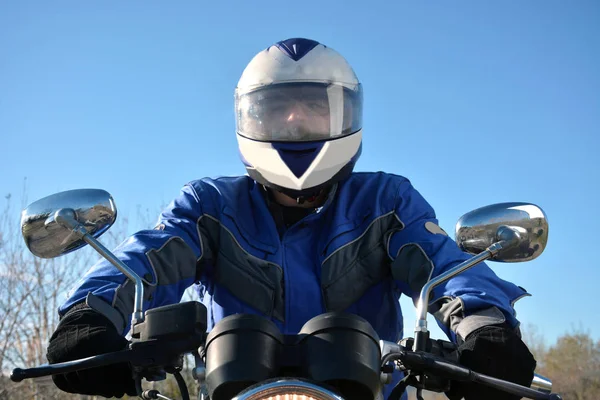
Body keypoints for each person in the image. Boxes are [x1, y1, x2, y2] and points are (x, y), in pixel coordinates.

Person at [47, 38, 536, 400]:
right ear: (250, 118)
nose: (297, 123)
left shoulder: (386, 202)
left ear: (347, 112)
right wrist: (91, 316)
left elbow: (442, 263)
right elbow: (150, 257)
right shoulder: (210, 204)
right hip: (237, 389)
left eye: (315, 109)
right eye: (279, 110)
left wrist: (484, 326)